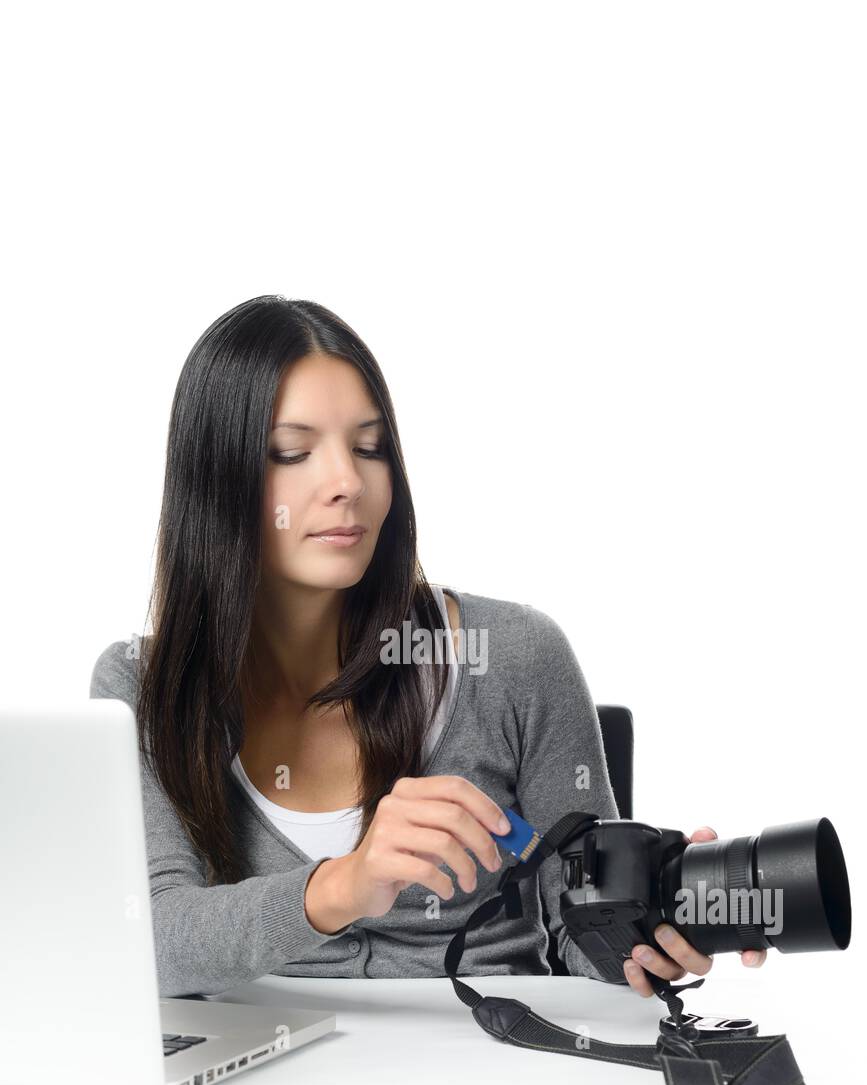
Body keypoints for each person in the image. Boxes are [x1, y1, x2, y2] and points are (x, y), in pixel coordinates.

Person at [90, 295, 766, 998]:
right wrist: (343, 885)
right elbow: (151, 941)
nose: (346, 483)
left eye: (369, 447)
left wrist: (643, 933)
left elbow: (577, 930)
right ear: (215, 479)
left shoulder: (511, 655)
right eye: (292, 452)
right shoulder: (139, 686)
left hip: (486, 1072)